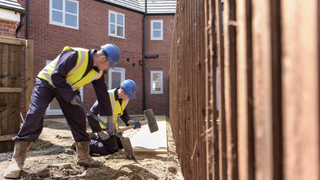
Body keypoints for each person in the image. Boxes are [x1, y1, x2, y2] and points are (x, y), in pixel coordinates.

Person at [4, 44, 121, 179]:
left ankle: (84, 157)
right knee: (35, 114)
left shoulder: (98, 72)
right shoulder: (75, 55)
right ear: (103, 58)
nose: (108, 69)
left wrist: (110, 118)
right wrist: (70, 97)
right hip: (47, 83)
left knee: (79, 119)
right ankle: (17, 161)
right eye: (109, 65)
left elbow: (103, 94)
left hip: (69, 89)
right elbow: (57, 76)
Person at [85, 79, 141, 155]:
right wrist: (100, 132)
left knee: (121, 145)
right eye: (128, 96)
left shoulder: (124, 98)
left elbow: (123, 113)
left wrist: (130, 122)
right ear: (121, 91)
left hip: (113, 128)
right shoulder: (106, 97)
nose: (129, 98)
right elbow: (90, 115)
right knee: (111, 149)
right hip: (102, 127)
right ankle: (83, 144)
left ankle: (95, 138)